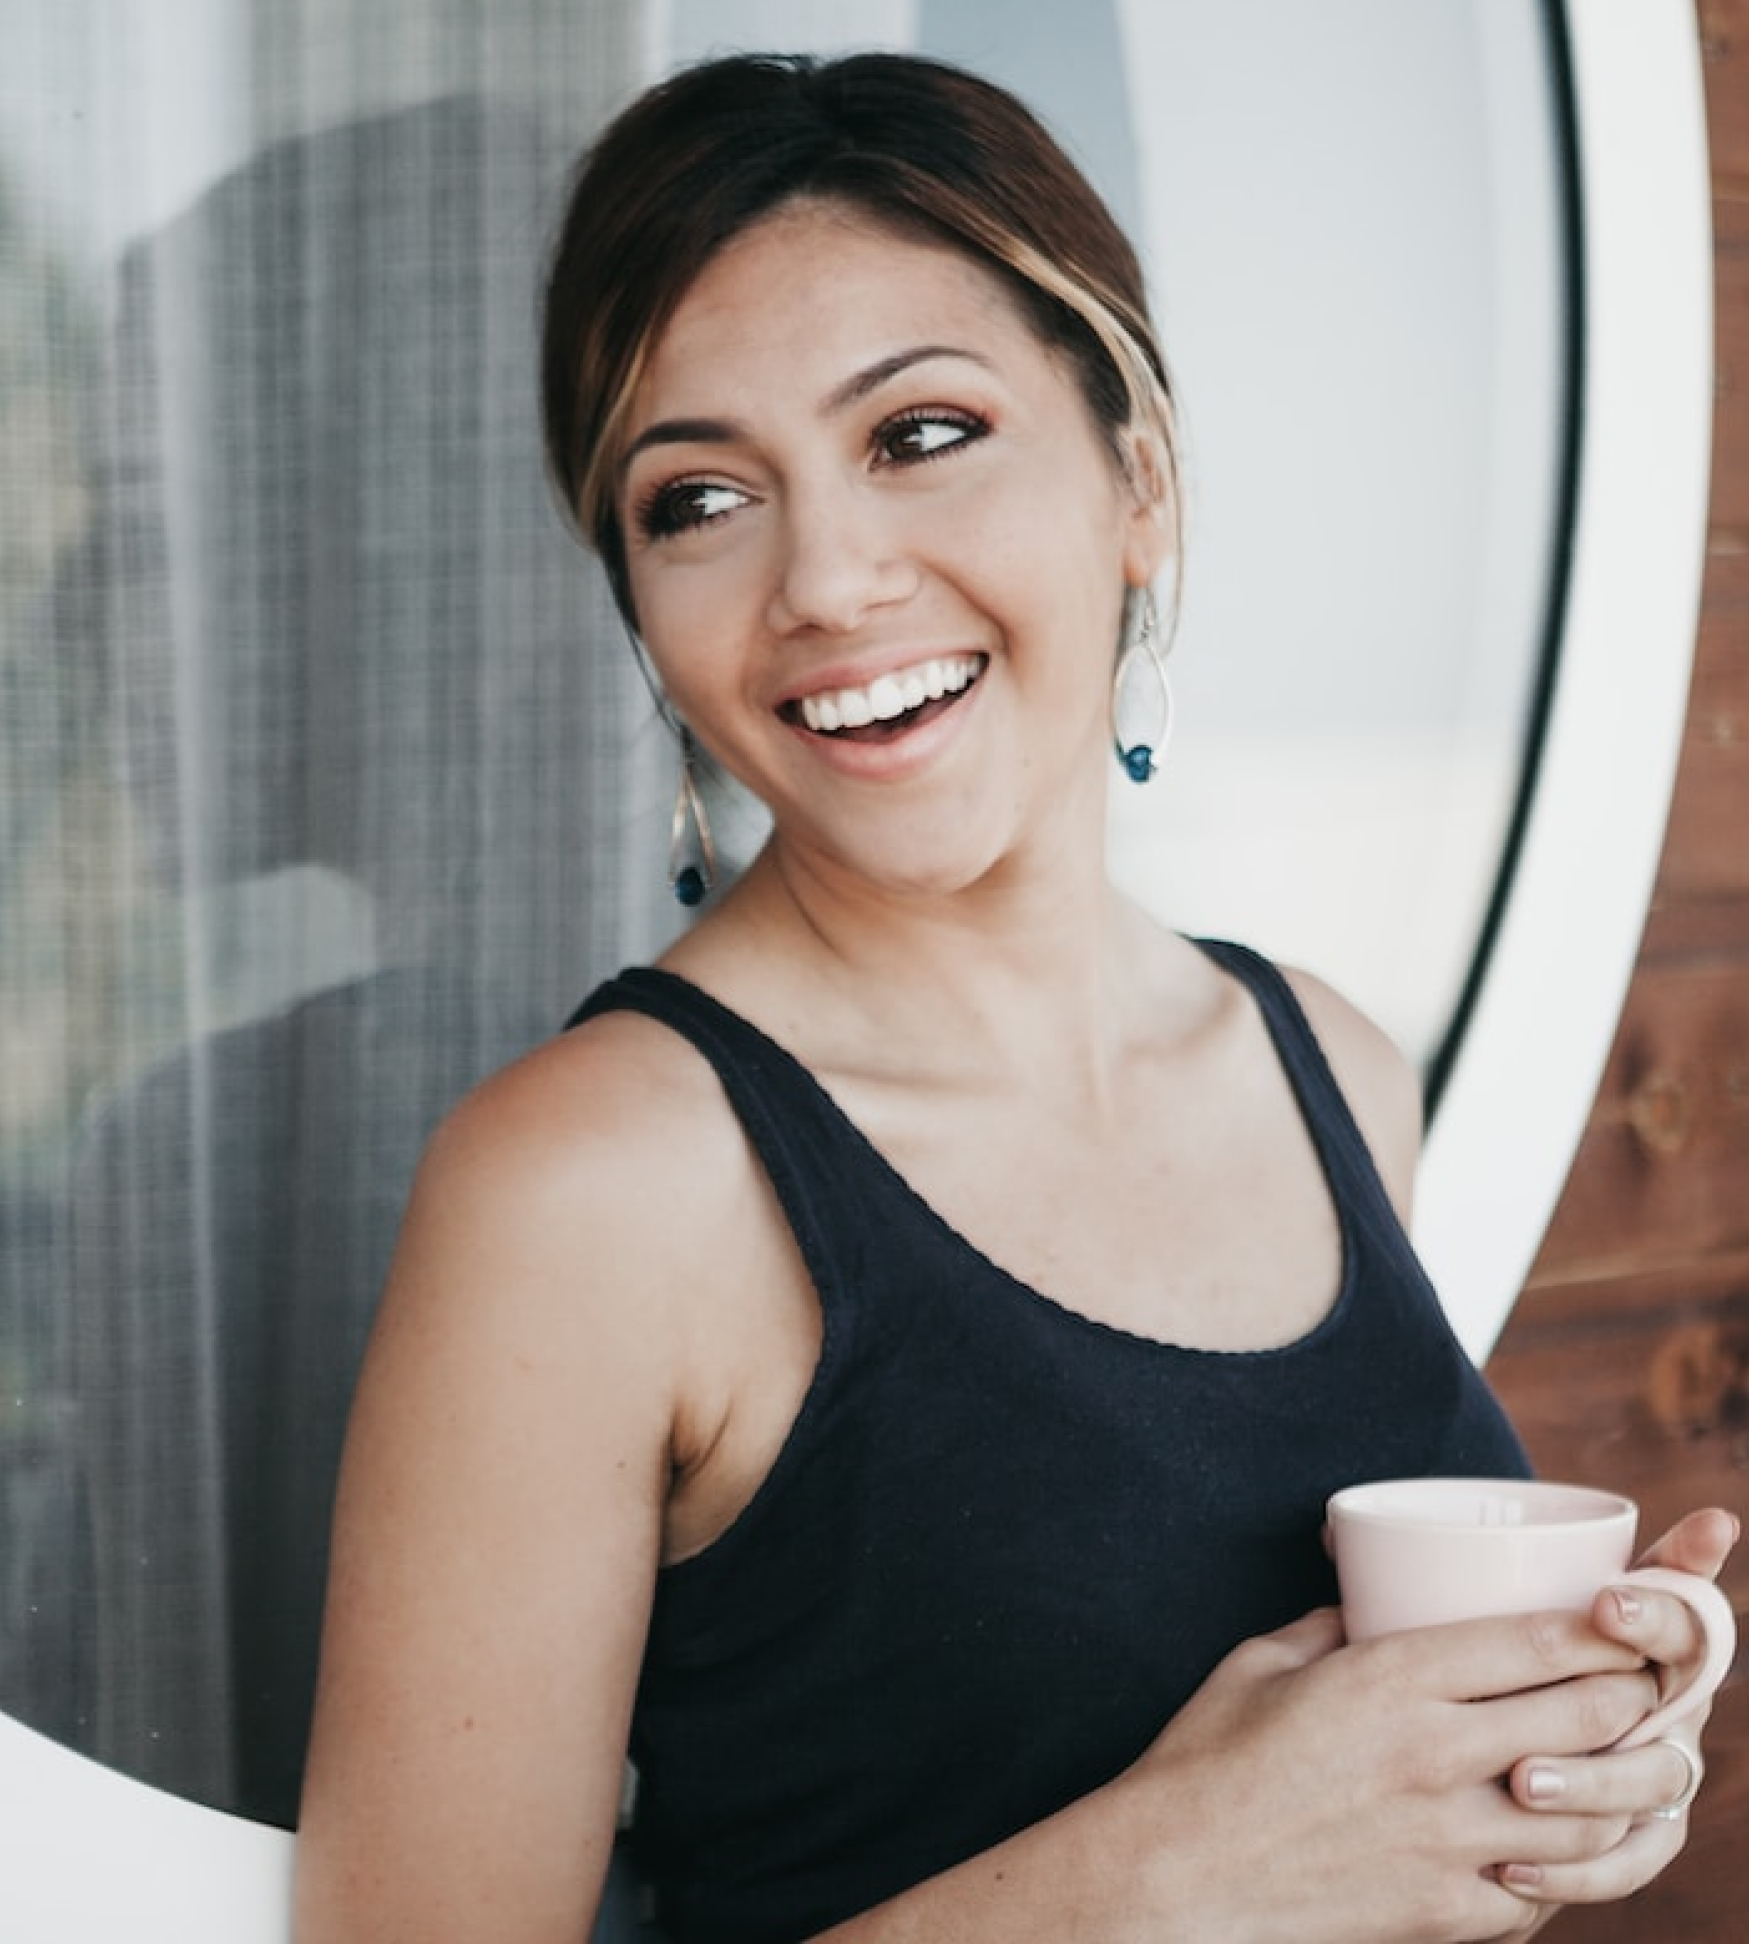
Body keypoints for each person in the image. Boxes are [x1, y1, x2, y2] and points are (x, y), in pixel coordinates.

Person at [293, 50, 1737, 1944]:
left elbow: (1377, 1819)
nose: (827, 578)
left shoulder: (1329, 1069)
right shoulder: (594, 1187)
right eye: (700, 498)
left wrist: (1562, 1762)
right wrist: (1178, 1869)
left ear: (1135, 482)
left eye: (917, 436)